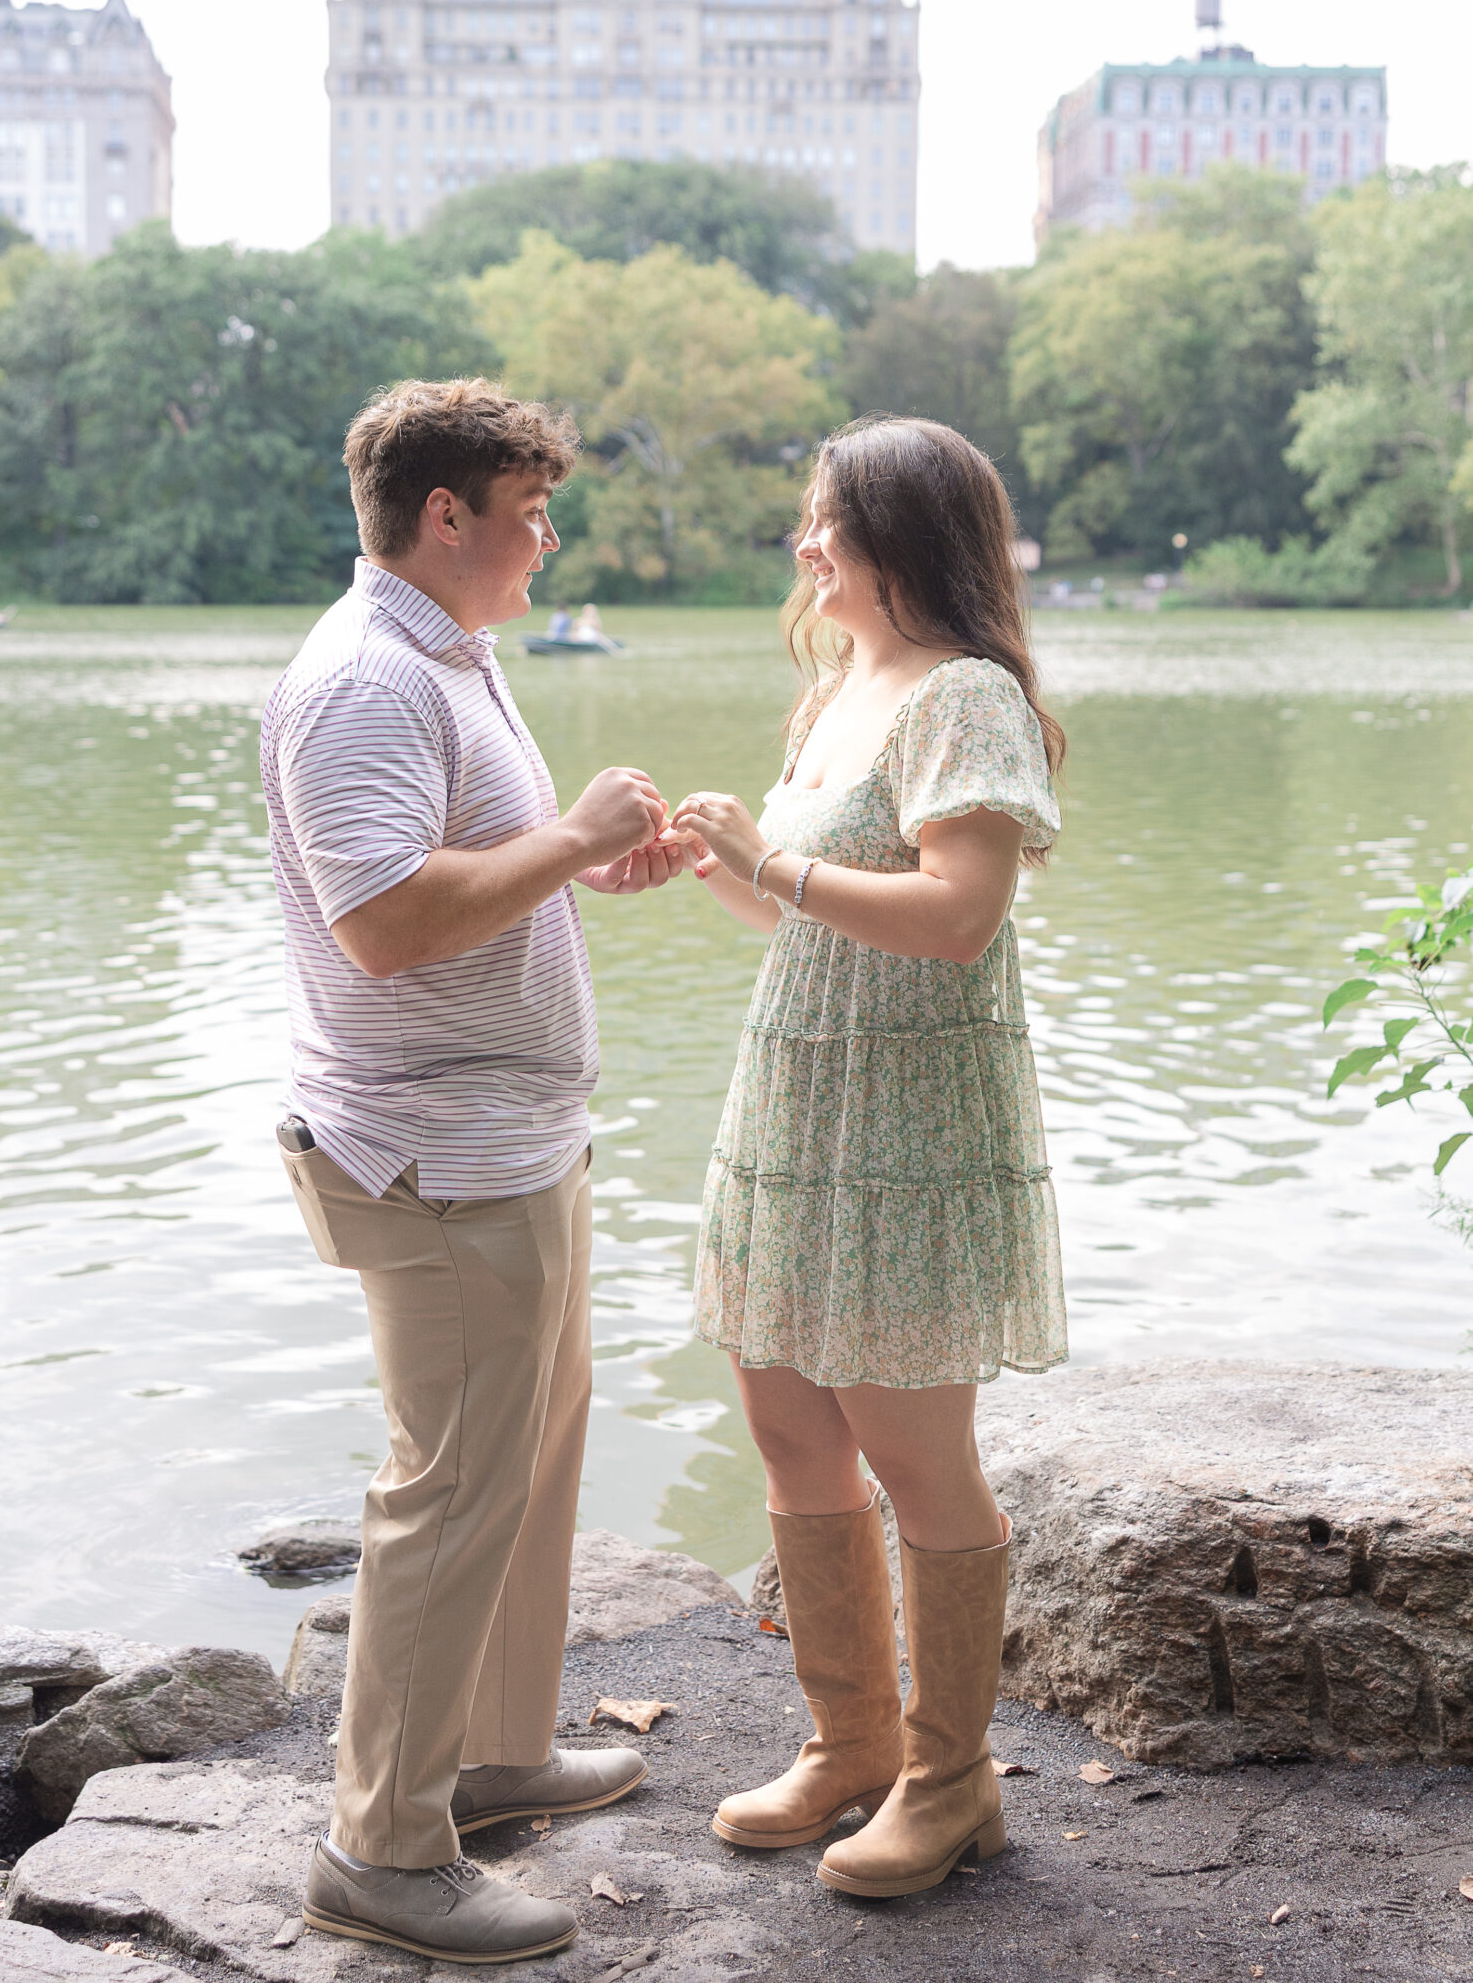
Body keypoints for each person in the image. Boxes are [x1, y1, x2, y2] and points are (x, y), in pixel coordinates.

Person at [261, 378, 686, 1963]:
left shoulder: (453, 654)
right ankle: (381, 1851)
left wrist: (581, 865)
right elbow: (381, 927)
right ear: (448, 517)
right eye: (532, 510)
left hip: (514, 1143)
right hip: (435, 1160)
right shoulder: (366, 678)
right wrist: (573, 842)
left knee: (526, 1464)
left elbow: (467, 877)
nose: (550, 535)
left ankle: (493, 1758)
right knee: (443, 1496)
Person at [671, 416, 1067, 1904]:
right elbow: (805, 921)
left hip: (910, 1123)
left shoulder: (965, 698)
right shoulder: (836, 689)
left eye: (826, 519)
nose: (802, 545)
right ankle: (848, 1746)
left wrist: (769, 860)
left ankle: (952, 1784)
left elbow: (958, 914)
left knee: (916, 1459)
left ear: (900, 536)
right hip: (792, 1101)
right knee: (785, 1428)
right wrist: (719, 864)